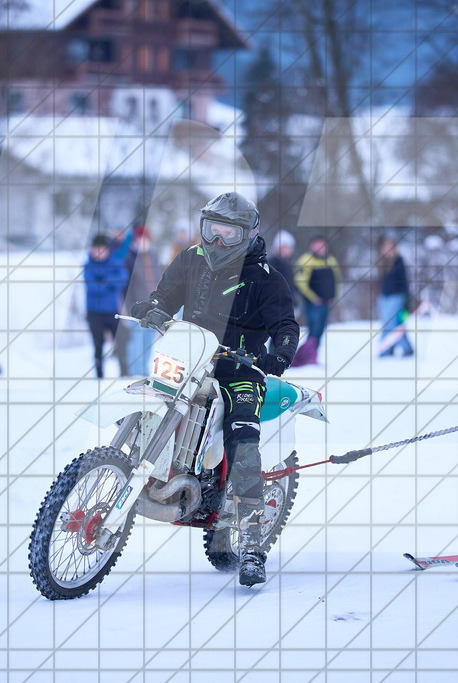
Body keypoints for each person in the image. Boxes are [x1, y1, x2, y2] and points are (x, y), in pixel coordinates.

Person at [130, 191, 298, 587]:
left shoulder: (266, 278)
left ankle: (253, 541)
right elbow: (166, 295)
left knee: (243, 436)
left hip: (242, 369)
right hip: (190, 358)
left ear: (248, 235)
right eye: (212, 230)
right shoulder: (192, 259)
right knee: (148, 395)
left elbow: (286, 327)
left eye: (229, 234)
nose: (218, 241)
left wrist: (279, 356)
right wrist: (154, 307)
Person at [84, 234, 129, 378]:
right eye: (96, 249)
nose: (99, 252)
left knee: (121, 342)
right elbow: (92, 287)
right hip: (94, 312)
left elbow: (122, 279)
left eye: (102, 249)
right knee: (98, 345)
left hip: (112, 311)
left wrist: (103, 281)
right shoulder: (88, 265)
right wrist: (109, 284)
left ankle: (124, 373)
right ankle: (99, 376)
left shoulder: (116, 262)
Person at [294, 236, 342, 366]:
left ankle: (313, 356)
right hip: (313, 303)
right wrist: (313, 297)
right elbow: (300, 281)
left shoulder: (331, 261)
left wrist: (335, 295)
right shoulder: (306, 260)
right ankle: (304, 357)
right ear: (311, 246)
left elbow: (337, 279)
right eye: (317, 245)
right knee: (314, 330)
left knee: (320, 330)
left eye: (322, 245)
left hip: (327, 302)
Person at [122, 225, 161, 376]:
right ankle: (134, 373)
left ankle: (144, 373)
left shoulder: (154, 255)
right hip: (136, 309)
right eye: (138, 238)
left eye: (144, 237)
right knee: (136, 343)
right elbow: (126, 288)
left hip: (153, 308)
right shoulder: (130, 258)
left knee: (147, 343)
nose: (141, 241)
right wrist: (128, 308)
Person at [375, 235, 414, 357]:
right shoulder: (382, 262)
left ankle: (384, 349)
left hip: (396, 297)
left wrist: (406, 300)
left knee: (390, 325)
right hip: (384, 298)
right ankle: (405, 348)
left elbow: (404, 281)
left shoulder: (399, 261)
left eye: (390, 247)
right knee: (394, 325)